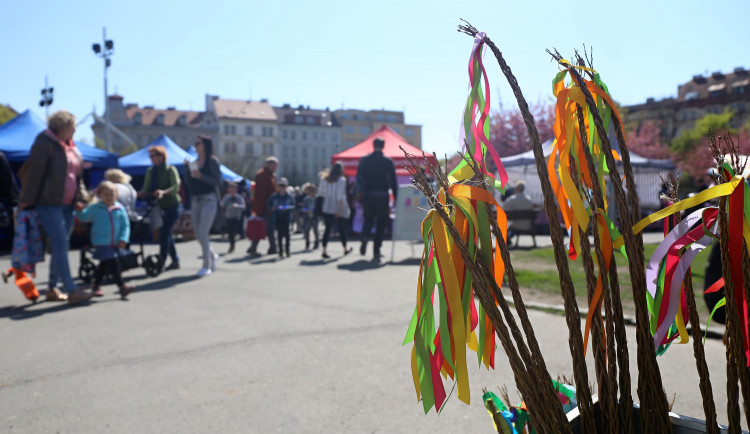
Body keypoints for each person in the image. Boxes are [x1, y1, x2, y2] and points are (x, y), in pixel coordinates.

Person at [17, 110, 93, 304]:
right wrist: (25, 201)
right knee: (61, 245)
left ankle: (52, 288)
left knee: (61, 245)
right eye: (73, 126)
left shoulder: (72, 147)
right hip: (48, 203)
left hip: (68, 205)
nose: (75, 129)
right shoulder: (44, 142)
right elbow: (34, 175)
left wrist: (81, 197)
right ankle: (71, 290)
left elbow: (78, 178)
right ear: (63, 126)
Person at [75, 181, 134, 299]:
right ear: (99, 196)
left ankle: (95, 286)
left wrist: (124, 238)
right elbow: (84, 217)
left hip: (115, 242)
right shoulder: (95, 208)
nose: (109, 197)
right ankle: (122, 286)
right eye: (105, 195)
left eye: (111, 195)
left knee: (104, 265)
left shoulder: (119, 208)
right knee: (114, 263)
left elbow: (125, 225)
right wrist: (79, 210)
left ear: (116, 195)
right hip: (101, 242)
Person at [138, 144, 181, 271]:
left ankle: (161, 262)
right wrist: (141, 193)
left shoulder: (170, 169)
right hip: (159, 207)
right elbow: (146, 188)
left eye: (153, 155)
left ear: (161, 157)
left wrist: (163, 192)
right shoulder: (150, 171)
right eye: (150, 156)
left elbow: (176, 187)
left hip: (172, 205)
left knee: (164, 232)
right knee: (166, 233)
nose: (151, 158)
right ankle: (175, 260)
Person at [185, 135, 222, 276]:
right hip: (195, 199)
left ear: (205, 145)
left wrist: (202, 176)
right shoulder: (193, 162)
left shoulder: (213, 162)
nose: (195, 145)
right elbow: (188, 183)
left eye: (198, 143)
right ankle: (213, 256)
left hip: (209, 199)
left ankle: (206, 265)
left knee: (203, 232)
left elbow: (217, 181)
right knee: (198, 234)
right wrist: (187, 170)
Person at [356, 137, 397, 260]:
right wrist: (396, 197)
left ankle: (364, 237)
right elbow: (393, 181)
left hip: (369, 194)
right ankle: (376, 251)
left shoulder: (365, 160)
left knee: (368, 219)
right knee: (380, 223)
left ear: (373, 146)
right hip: (382, 195)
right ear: (383, 146)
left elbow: (359, 178)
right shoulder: (387, 161)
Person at [319, 162, 352, 259]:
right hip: (338, 207)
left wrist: (328, 196)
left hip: (327, 207)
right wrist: (340, 210)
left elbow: (320, 192)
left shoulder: (325, 179)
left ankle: (324, 250)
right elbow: (339, 196)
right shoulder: (341, 180)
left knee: (327, 229)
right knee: (342, 229)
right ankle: (345, 248)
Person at [247, 156, 279, 256]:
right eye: (273, 165)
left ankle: (258, 247)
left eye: (276, 166)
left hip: (269, 207)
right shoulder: (262, 175)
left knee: (267, 228)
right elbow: (260, 194)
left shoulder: (270, 175)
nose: (275, 168)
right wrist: (259, 209)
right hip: (265, 207)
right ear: (268, 165)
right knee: (265, 228)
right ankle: (270, 247)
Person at [267, 177, 295, 258]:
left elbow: (293, 206)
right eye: (280, 186)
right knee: (279, 235)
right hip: (277, 217)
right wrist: (272, 208)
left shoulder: (289, 196)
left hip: (286, 217)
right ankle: (280, 251)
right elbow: (268, 206)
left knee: (287, 235)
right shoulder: (274, 197)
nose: (281, 188)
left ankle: (287, 250)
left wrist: (287, 208)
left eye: (283, 186)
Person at [502, 180, 536, 244]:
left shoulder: (512, 199)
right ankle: (508, 238)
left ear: (516, 189)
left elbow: (503, 209)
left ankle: (506, 239)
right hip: (528, 225)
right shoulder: (529, 200)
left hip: (516, 225)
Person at [220, 181, 245, 254]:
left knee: (233, 232)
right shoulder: (227, 197)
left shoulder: (239, 197)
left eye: (233, 189)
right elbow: (221, 203)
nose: (231, 191)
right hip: (228, 217)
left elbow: (243, 206)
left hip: (236, 217)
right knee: (230, 233)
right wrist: (226, 205)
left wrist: (236, 206)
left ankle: (233, 242)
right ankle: (232, 244)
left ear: (236, 190)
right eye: (230, 189)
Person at [301, 183, 320, 250]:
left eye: (313, 191)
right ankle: (307, 242)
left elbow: (319, 208)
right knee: (307, 230)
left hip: (315, 216)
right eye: (311, 191)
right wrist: (305, 210)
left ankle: (317, 242)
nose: (312, 193)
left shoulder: (317, 198)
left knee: (316, 231)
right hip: (308, 216)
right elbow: (303, 207)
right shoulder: (306, 199)